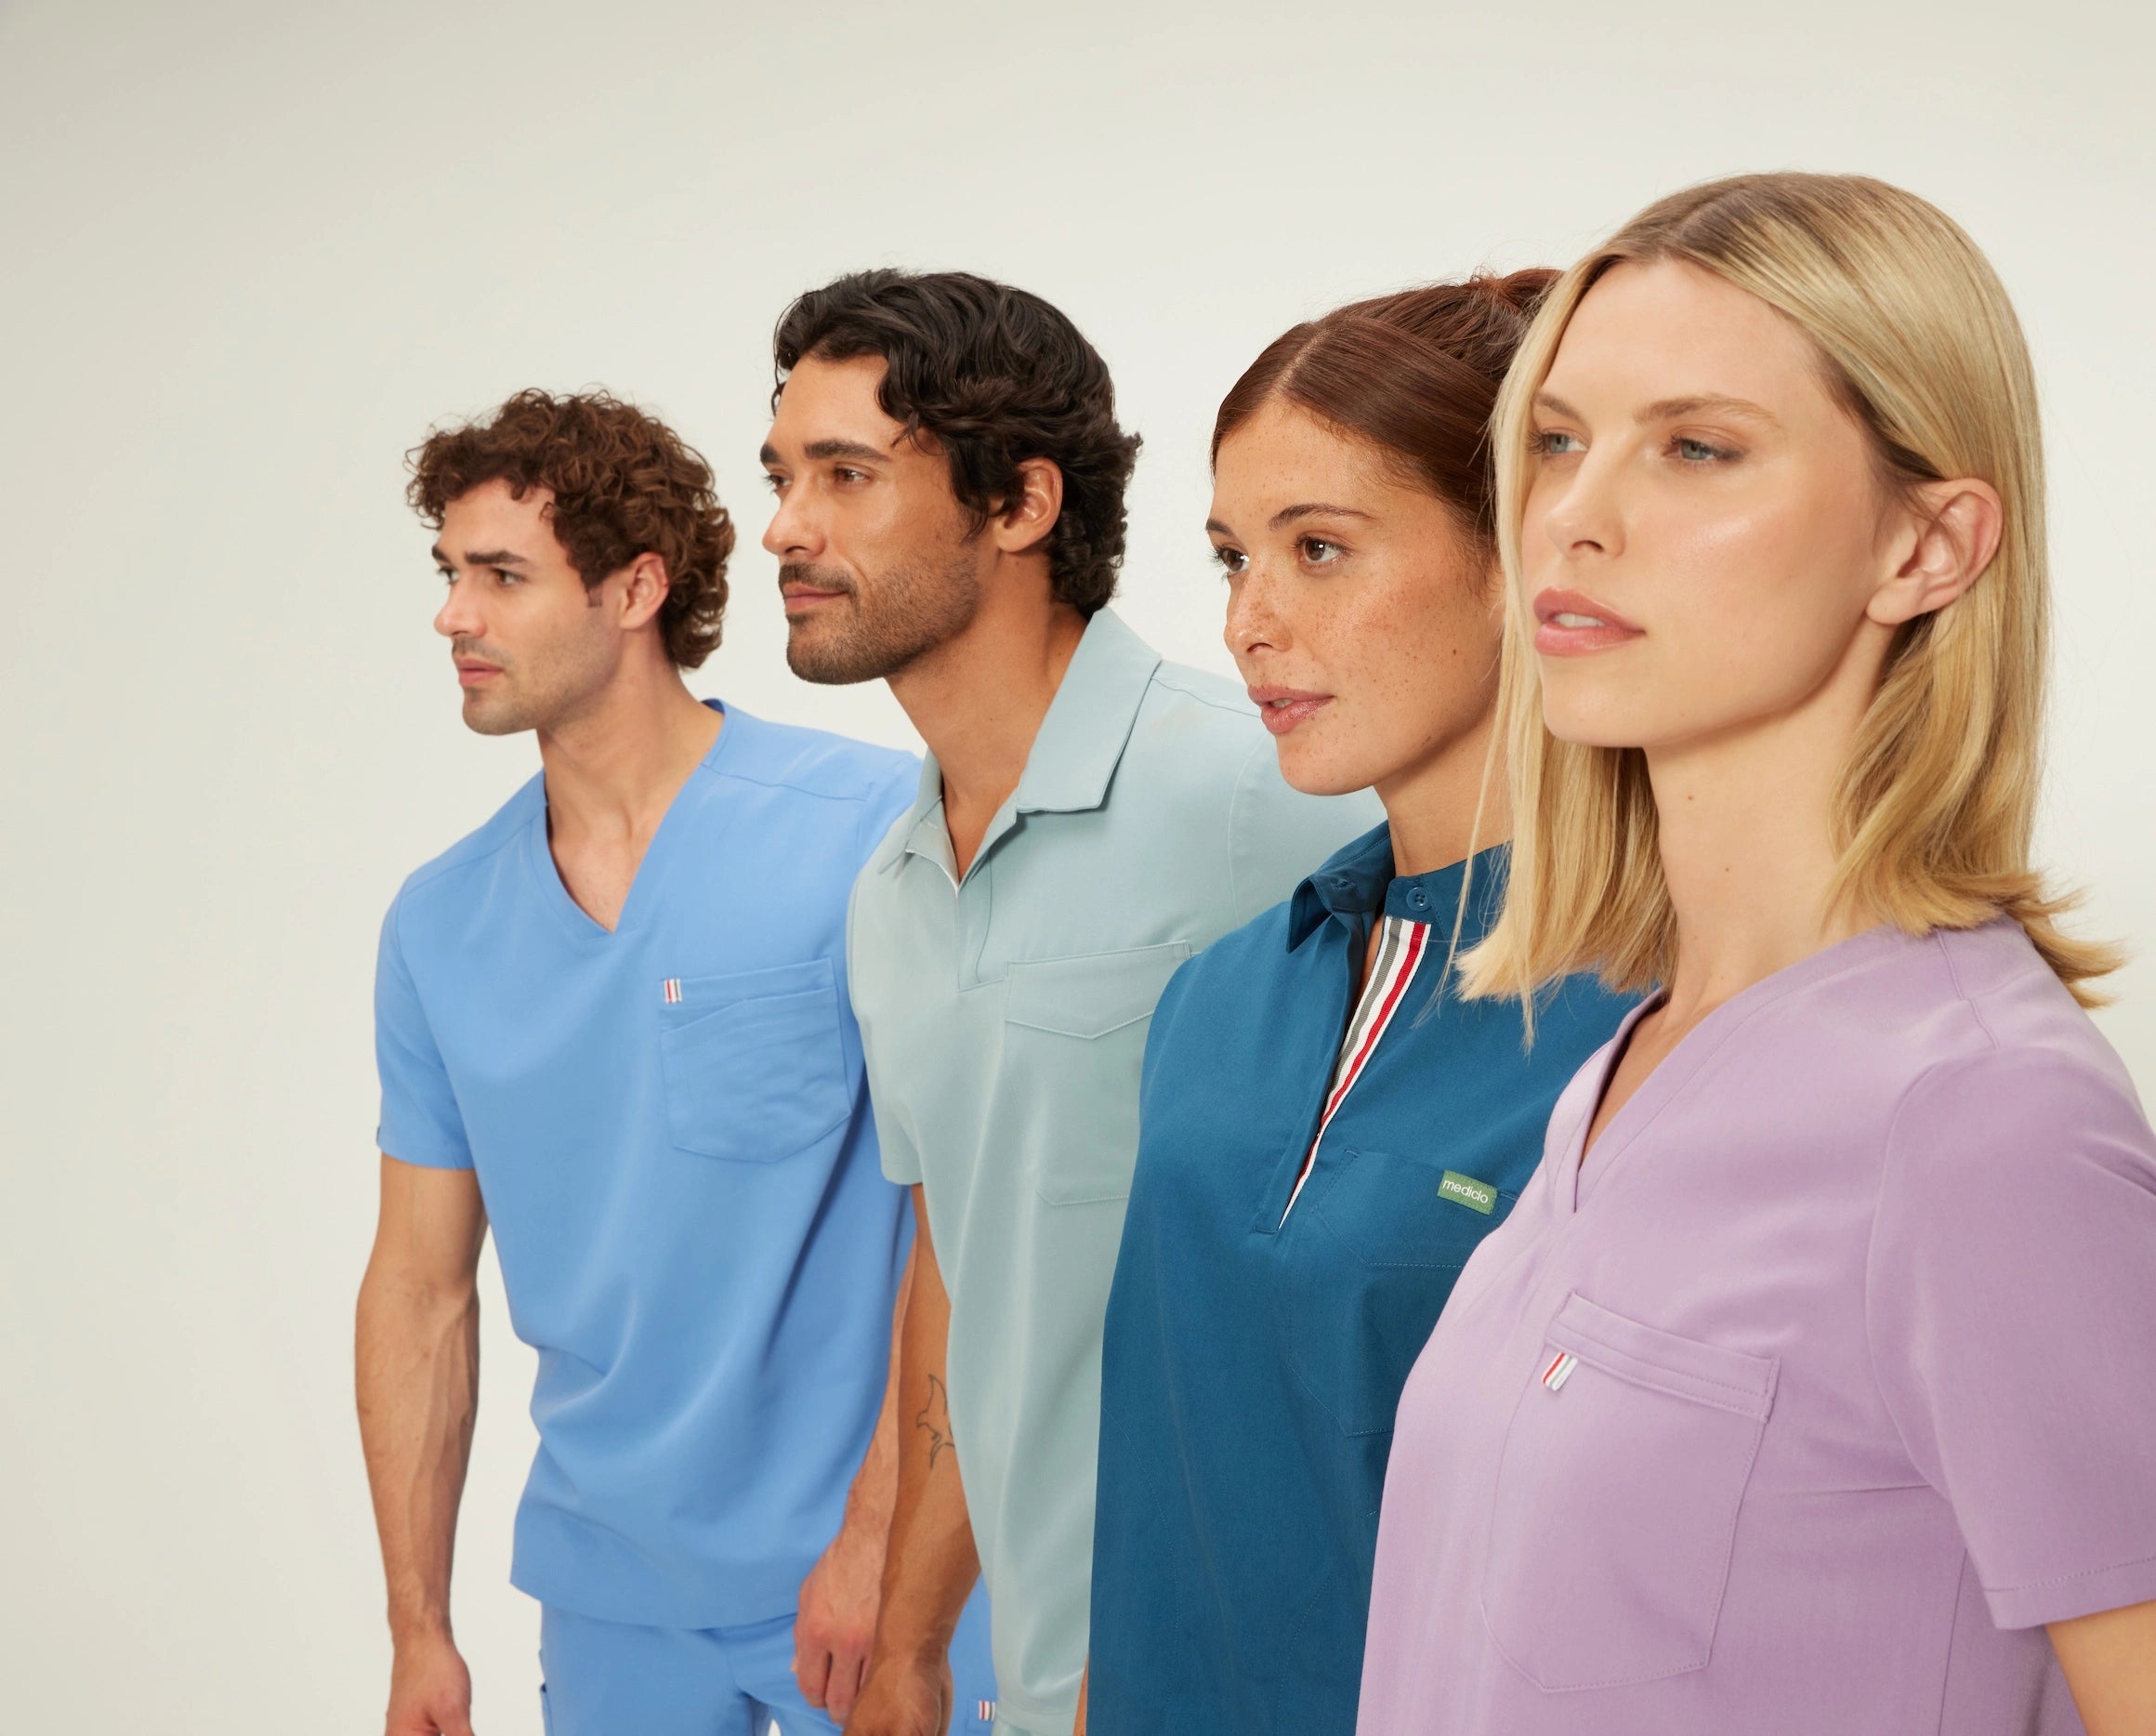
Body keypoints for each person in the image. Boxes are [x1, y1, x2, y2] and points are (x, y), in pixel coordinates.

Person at [1357, 175, 2156, 1735]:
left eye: (1695, 448)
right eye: (1557, 440)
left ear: (1928, 547)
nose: (1576, 515)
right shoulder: (1618, 1070)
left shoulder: (1986, 1135)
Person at [759, 270, 1375, 1736]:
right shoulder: (891, 898)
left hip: (1269, 1664)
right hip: (1046, 1678)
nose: (784, 527)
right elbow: (973, 1266)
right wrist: (914, 1637)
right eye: (783, 477)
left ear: (1021, 502)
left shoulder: (1257, 791)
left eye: (846, 476)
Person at [358, 388, 993, 1736]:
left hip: (882, 1565)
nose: (452, 616)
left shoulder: (870, 829)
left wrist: (886, 1540)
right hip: (609, 1587)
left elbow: (974, 1211)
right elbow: (419, 1292)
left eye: (500, 576)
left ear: (634, 588)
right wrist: (420, 1627)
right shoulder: (439, 923)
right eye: (449, 574)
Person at [1085, 275, 1645, 1734]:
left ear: (1522, 556)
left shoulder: (1672, 1023)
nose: (1250, 623)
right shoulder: (1216, 1003)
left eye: (1319, 550)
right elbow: (1162, 1473)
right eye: (1230, 559)